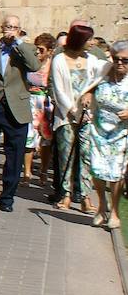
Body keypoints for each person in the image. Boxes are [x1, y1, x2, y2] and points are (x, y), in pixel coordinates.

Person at [0, 14, 40, 212]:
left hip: (16, 107)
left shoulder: (26, 48)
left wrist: (18, 44)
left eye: (14, 27)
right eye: (8, 27)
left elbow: (34, 66)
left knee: (15, 155)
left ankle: (7, 197)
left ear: (20, 30)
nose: (10, 30)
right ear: (1, 28)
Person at [49, 22, 106, 213]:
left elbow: (103, 73)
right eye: (89, 39)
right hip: (67, 115)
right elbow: (59, 90)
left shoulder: (91, 59)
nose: (92, 43)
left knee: (86, 155)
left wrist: (91, 92)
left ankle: (84, 196)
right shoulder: (60, 59)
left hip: (88, 115)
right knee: (66, 155)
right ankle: (65, 194)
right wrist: (73, 109)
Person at [82, 41, 128, 229]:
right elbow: (91, 84)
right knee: (97, 169)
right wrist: (89, 94)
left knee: (116, 173)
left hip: (122, 132)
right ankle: (102, 205)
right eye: (116, 59)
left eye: (125, 60)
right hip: (99, 130)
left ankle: (115, 212)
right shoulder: (104, 71)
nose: (119, 63)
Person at [27, 33, 56, 186]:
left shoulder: (53, 65)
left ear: (50, 51)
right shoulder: (30, 63)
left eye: (41, 49)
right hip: (30, 100)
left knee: (46, 139)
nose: (38, 53)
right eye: (36, 49)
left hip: (46, 102)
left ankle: (44, 171)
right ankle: (27, 172)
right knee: (29, 136)